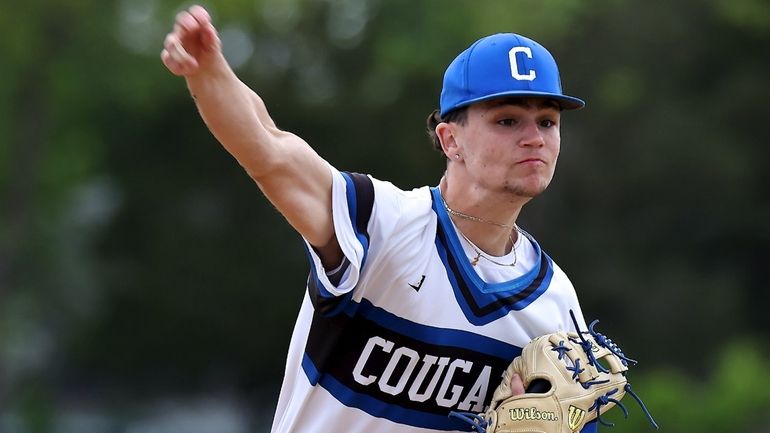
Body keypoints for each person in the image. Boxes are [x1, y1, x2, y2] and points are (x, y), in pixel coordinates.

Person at [162, 5, 596, 433]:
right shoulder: (380, 223)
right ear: (450, 140)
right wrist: (208, 72)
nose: (534, 138)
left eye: (547, 121)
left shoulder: (555, 302)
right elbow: (269, 150)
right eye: (508, 119)